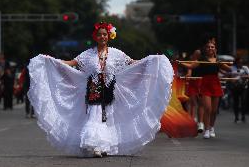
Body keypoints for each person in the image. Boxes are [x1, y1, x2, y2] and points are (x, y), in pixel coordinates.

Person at [28, 22, 174, 157]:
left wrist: (153, 60)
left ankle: (104, 146)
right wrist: (51, 60)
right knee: (95, 115)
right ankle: (96, 146)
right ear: (95, 37)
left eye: (104, 34)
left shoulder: (117, 53)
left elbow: (133, 63)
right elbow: (70, 63)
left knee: (108, 117)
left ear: (109, 36)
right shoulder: (87, 54)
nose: (102, 37)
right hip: (94, 90)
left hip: (111, 90)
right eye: (99, 34)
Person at [180, 38, 231, 139]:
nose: (210, 48)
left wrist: (223, 64)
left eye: (212, 47)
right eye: (208, 47)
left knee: (214, 110)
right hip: (205, 84)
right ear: (205, 49)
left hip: (216, 84)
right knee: (208, 108)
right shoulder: (202, 60)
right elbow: (191, 65)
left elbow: (228, 69)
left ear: (215, 49)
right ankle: (206, 130)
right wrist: (179, 62)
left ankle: (212, 127)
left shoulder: (218, 60)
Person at [228, 57, 249, 123]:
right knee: (236, 102)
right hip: (235, 87)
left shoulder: (245, 68)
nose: (240, 64)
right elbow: (228, 76)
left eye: (241, 62)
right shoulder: (232, 68)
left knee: (243, 101)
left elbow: (248, 75)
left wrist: (243, 77)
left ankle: (243, 116)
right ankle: (236, 117)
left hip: (243, 87)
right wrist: (232, 80)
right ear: (236, 63)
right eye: (239, 62)